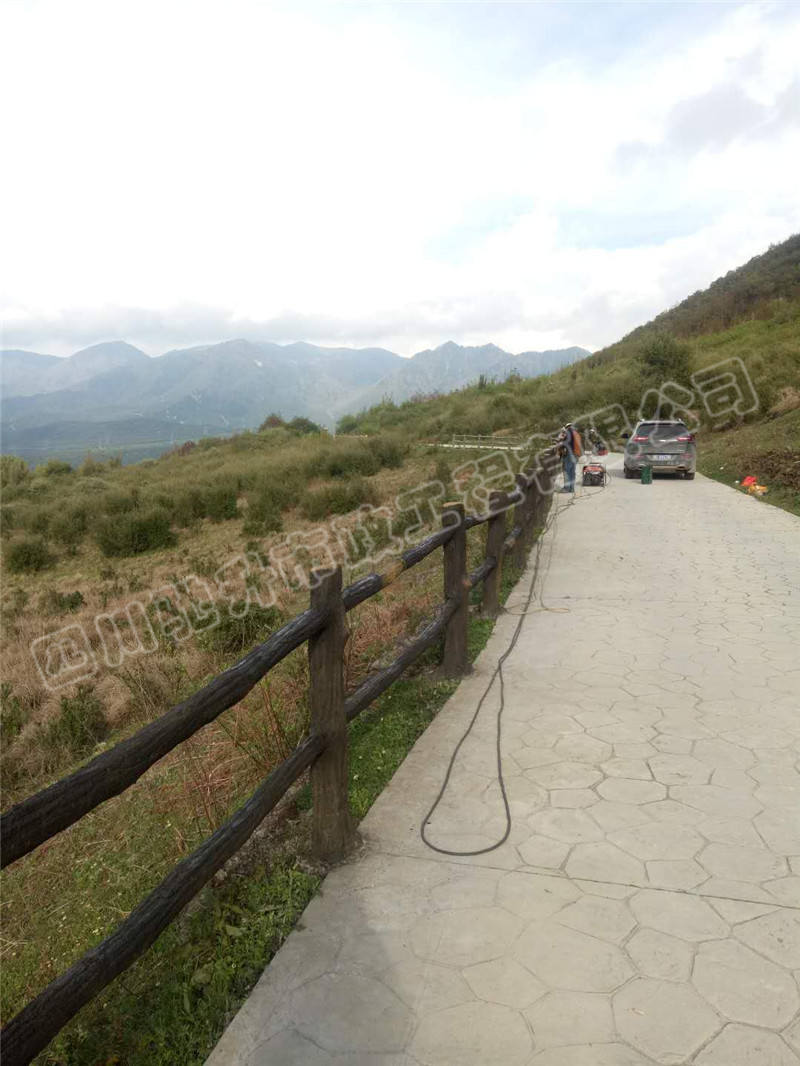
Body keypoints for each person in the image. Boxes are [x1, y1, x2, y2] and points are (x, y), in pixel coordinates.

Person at [557, 422, 582, 493]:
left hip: (570, 454)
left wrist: (560, 445)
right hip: (577, 455)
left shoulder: (569, 431)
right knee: (572, 472)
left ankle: (566, 488)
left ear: (567, 427)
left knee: (566, 471)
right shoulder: (577, 434)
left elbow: (564, 442)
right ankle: (571, 488)